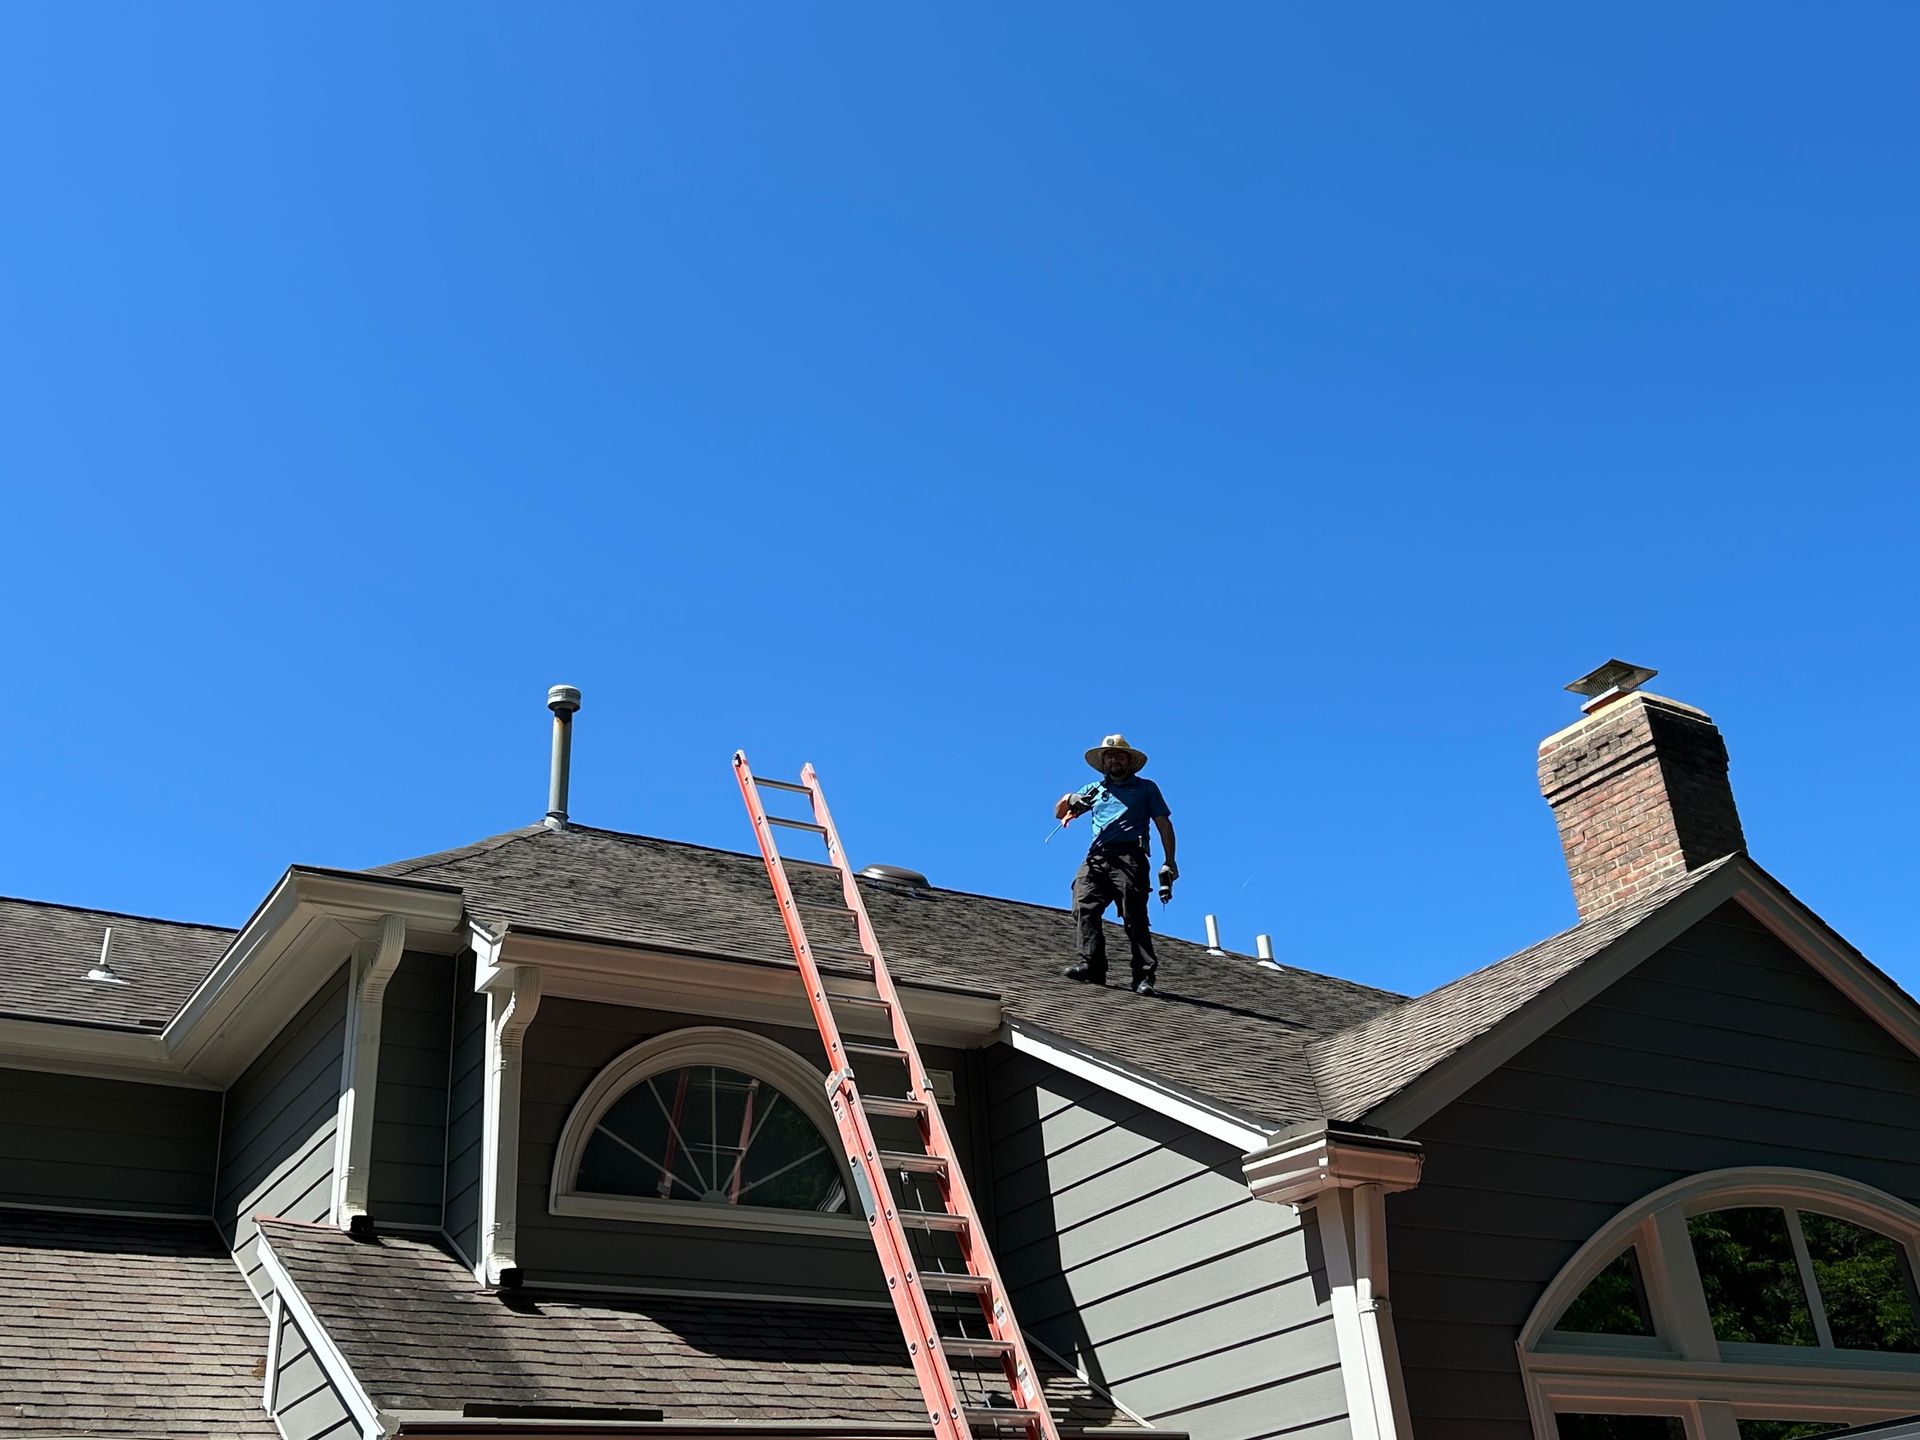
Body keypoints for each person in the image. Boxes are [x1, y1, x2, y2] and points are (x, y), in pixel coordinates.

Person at [1054, 734, 1177, 996]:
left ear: (1129, 761)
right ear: (1104, 762)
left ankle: (1143, 976)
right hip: (1097, 855)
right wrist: (1069, 799)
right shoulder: (1095, 790)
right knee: (1083, 904)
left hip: (1130, 856)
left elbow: (1163, 823)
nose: (1114, 759)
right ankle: (1092, 965)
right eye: (1109, 756)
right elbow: (1059, 812)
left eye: (1119, 755)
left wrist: (1170, 861)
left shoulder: (1146, 788)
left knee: (1134, 916)